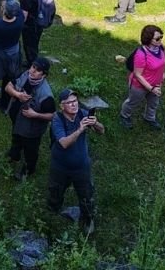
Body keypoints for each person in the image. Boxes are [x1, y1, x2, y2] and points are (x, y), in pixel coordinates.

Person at [48, 88, 104, 234]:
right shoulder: (57, 119)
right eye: (69, 102)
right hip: (60, 166)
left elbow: (101, 131)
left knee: (86, 195)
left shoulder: (83, 114)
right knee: (56, 189)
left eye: (75, 101)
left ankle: (88, 219)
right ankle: (53, 209)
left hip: (81, 166)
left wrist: (96, 123)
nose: (74, 105)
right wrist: (80, 130)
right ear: (62, 106)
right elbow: (64, 143)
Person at [4, 57, 55, 179]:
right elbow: (8, 87)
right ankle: (14, 154)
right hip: (17, 118)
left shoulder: (46, 95)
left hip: (32, 128)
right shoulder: (25, 74)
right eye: (33, 67)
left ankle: (28, 169)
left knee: (30, 149)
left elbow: (53, 115)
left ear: (44, 75)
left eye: (37, 70)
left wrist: (35, 115)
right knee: (16, 136)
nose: (32, 71)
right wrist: (17, 94)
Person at [119, 24, 165, 130]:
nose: (160, 40)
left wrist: (162, 73)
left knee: (154, 103)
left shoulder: (160, 48)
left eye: (161, 37)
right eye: (157, 38)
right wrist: (151, 88)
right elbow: (137, 74)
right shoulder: (141, 54)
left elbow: (161, 62)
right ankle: (124, 116)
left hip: (156, 83)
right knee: (132, 102)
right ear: (149, 39)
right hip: (139, 86)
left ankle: (149, 118)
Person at [18, 0, 52, 65]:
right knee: (35, 43)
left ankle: (32, 64)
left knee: (29, 45)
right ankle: (32, 60)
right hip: (39, 22)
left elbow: (24, 17)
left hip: (30, 26)